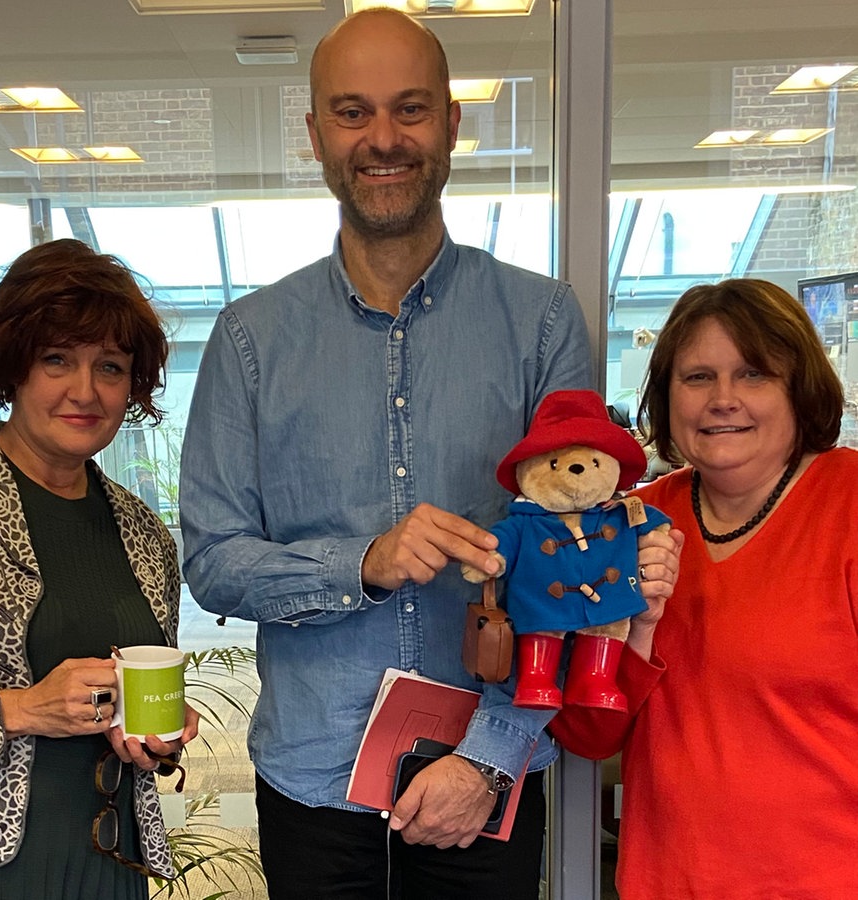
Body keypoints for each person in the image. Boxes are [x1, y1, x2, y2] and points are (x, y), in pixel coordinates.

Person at [179, 9, 678, 899]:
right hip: (311, 783)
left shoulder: (542, 323)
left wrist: (488, 758)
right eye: (352, 112)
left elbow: (580, 561)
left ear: (452, 123)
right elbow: (214, 561)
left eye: (410, 109)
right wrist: (361, 564)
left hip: (485, 778)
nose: (383, 139)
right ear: (315, 134)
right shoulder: (249, 340)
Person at [0, 239, 199, 898]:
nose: (85, 391)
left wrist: (155, 738)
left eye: (111, 367)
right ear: (14, 367)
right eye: (57, 359)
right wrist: (18, 709)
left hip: (107, 856)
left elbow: (137, 697)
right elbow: (24, 708)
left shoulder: (144, 533)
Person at [612, 278, 857, 897]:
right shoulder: (628, 523)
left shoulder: (848, 503)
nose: (724, 400)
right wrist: (637, 627)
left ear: (799, 388)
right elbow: (588, 734)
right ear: (666, 396)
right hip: (665, 881)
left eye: (753, 374)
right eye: (697, 378)